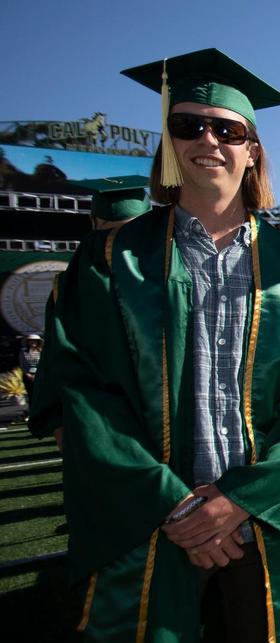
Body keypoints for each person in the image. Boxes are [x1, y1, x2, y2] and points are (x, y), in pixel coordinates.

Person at [54, 49, 280, 643]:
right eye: (189, 125)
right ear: (169, 145)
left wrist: (238, 500)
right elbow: (81, 396)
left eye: (227, 129)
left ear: (253, 152)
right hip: (152, 522)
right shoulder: (106, 262)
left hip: (261, 527)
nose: (207, 140)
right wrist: (177, 503)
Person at [29, 175, 152, 447]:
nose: (113, 246)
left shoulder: (66, 287)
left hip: (99, 426)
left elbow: (54, 365)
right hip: (120, 425)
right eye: (107, 236)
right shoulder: (167, 278)